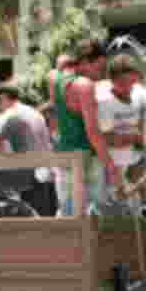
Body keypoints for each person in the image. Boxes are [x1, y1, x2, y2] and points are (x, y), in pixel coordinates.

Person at [0, 85, 57, 217]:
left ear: (3, 98)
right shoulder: (35, 113)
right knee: (46, 220)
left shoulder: (11, 113)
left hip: (28, 176)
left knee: (31, 224)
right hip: (46, 174)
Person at [47, 38, 112, 216]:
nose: (101, 74)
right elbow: (93, 133)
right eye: (99, 68)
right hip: (88, 159)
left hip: (63, 156)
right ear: (84, 62)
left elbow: (55, 116)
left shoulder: (54, 78)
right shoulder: (84, 86)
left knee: (68, 215)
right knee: (93, 218)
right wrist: (111, 166)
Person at [95, 54, 146, 215]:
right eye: (123, 83)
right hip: (114, 170)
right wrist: (136, 137)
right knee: (114, 213)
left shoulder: (139, 93)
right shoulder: (105, 103)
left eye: (132, 82)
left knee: (137, 213)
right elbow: (108, 139)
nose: (128, 87)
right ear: (112, 81)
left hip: (137, 163)